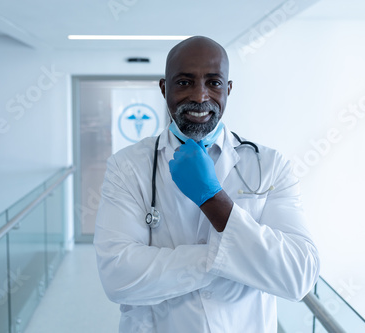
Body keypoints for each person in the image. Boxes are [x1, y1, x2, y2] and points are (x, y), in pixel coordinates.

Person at [94, 36, 320, 333]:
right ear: (164, 89)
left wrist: (213, 199)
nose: (200, 96)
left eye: (213, 83)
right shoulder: (127, 166)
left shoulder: (269, 165)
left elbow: (297, 276)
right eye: (184, 83)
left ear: (228, 89)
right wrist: (239, 258)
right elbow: (118, 277)